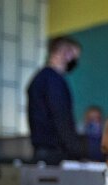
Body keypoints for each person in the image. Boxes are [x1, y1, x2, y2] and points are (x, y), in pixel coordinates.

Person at [27, 36, 84, 165]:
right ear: (66, 53)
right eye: (74, 56)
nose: (74, 61)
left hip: (41, 152)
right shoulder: (54, 81)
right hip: (56, 154)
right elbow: (61, 117)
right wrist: (76, 152)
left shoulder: (38, 79)